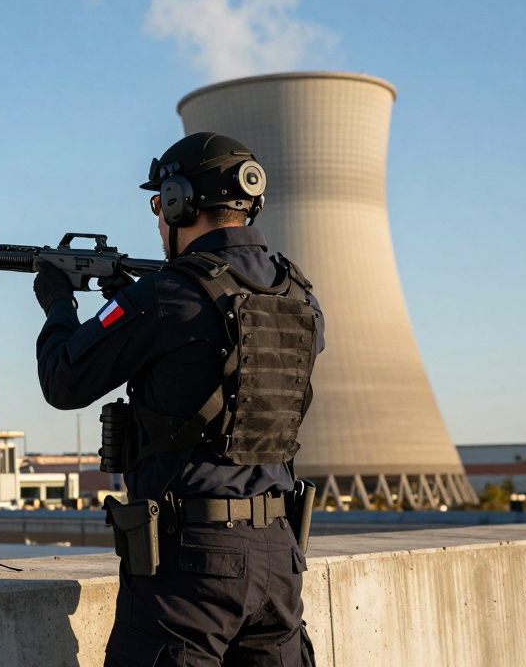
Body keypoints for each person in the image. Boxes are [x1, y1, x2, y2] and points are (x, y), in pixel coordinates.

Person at [33, 132, 326, 666]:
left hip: (192, 565)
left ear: (179, 201)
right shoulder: (299, 296)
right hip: (281, 556)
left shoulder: (166, 295)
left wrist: (58, 305)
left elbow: (63, 380)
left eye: (158, 204)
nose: (158, 219)